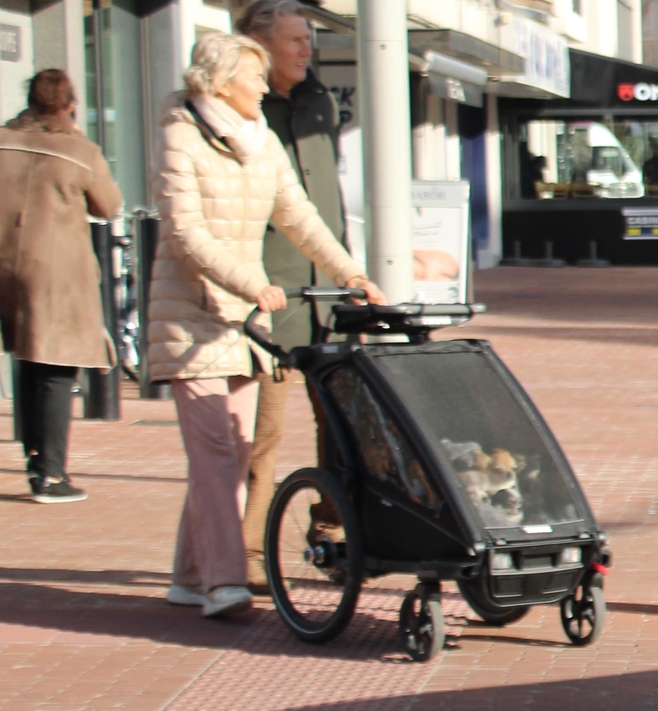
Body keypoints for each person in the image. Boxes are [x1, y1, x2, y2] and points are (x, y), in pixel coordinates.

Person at [150, 32, 377, 620]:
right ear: (221, 83)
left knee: (235, 449)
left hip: (243, 319)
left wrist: (351, 272)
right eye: (252, 77)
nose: (261, 86)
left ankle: (188, 575)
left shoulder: (262, 139)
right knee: (217, 452)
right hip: (190, 316)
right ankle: (224, 582)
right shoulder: (181, 135)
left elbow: (299, 215)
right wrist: (250, 282)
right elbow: (185, 232)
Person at [234, 0, 347, 589]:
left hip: (328, 296)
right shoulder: (241, 112)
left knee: (342, 426)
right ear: (260, 46)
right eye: (295, 40)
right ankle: (248, 551)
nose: (308, 50)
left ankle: (331, 531)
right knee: (264, 437)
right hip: (270, 298)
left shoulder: (319, 102)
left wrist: (349, 274)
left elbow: (328, 201)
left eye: (309, 40)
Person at [0, 69, 123, 502]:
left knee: (26, 358)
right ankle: (51, 475)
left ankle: (34, 457)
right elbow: (109, 206)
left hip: (5, 264)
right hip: (54, 271)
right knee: (54, 367)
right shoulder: (80, 151)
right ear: (70, 104)